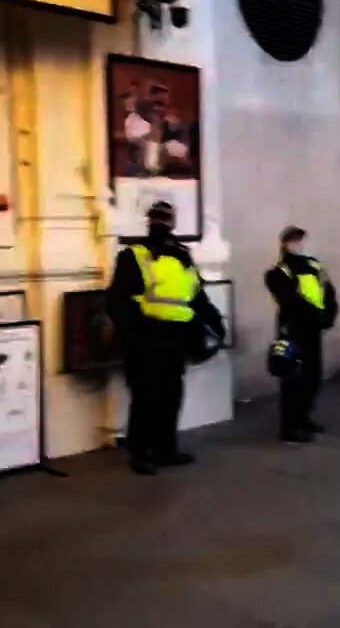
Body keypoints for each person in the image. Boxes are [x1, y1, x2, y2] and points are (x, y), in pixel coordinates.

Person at [106, 201, 224, 475]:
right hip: (145, 337)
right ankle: (140, 454)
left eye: (164, 219)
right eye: (158, 219)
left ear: (171, 223)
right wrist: (134, 336)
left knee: (170, 397)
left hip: (175, 338)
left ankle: (165, 450)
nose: (161, 224)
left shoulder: (182, 256)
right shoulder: (133, 255)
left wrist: (214, 325)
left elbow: (196, 296)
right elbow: (118, 302)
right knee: (146, 398)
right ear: (150, 222)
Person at [265, 226, 339, 443]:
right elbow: (292, 301)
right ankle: (289, 427)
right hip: (293, 330)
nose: (298, 244)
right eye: (293, 241)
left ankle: (303, 416)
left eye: (300, 240)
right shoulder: (278, 272)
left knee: (313, 377)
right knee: (292, 380)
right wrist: (319, 316)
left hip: (313, 330)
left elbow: (330, 293)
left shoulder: (315, 265)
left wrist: (329, 315)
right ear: (285, 244)